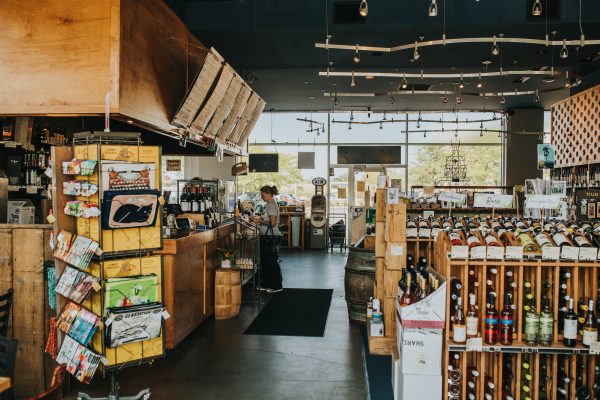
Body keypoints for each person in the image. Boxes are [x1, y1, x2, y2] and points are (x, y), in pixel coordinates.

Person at [252, 185, 283, 293]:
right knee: (265, 261)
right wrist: (261, 218)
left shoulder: (272, 205)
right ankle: (266, 284)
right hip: (267, 236)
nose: (262, 197)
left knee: (271, 262)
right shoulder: (268, 204)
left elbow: (273, 223)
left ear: (269, 194)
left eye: (263, 195)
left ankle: (276, 285)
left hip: (270, 237)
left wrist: (258, 221)